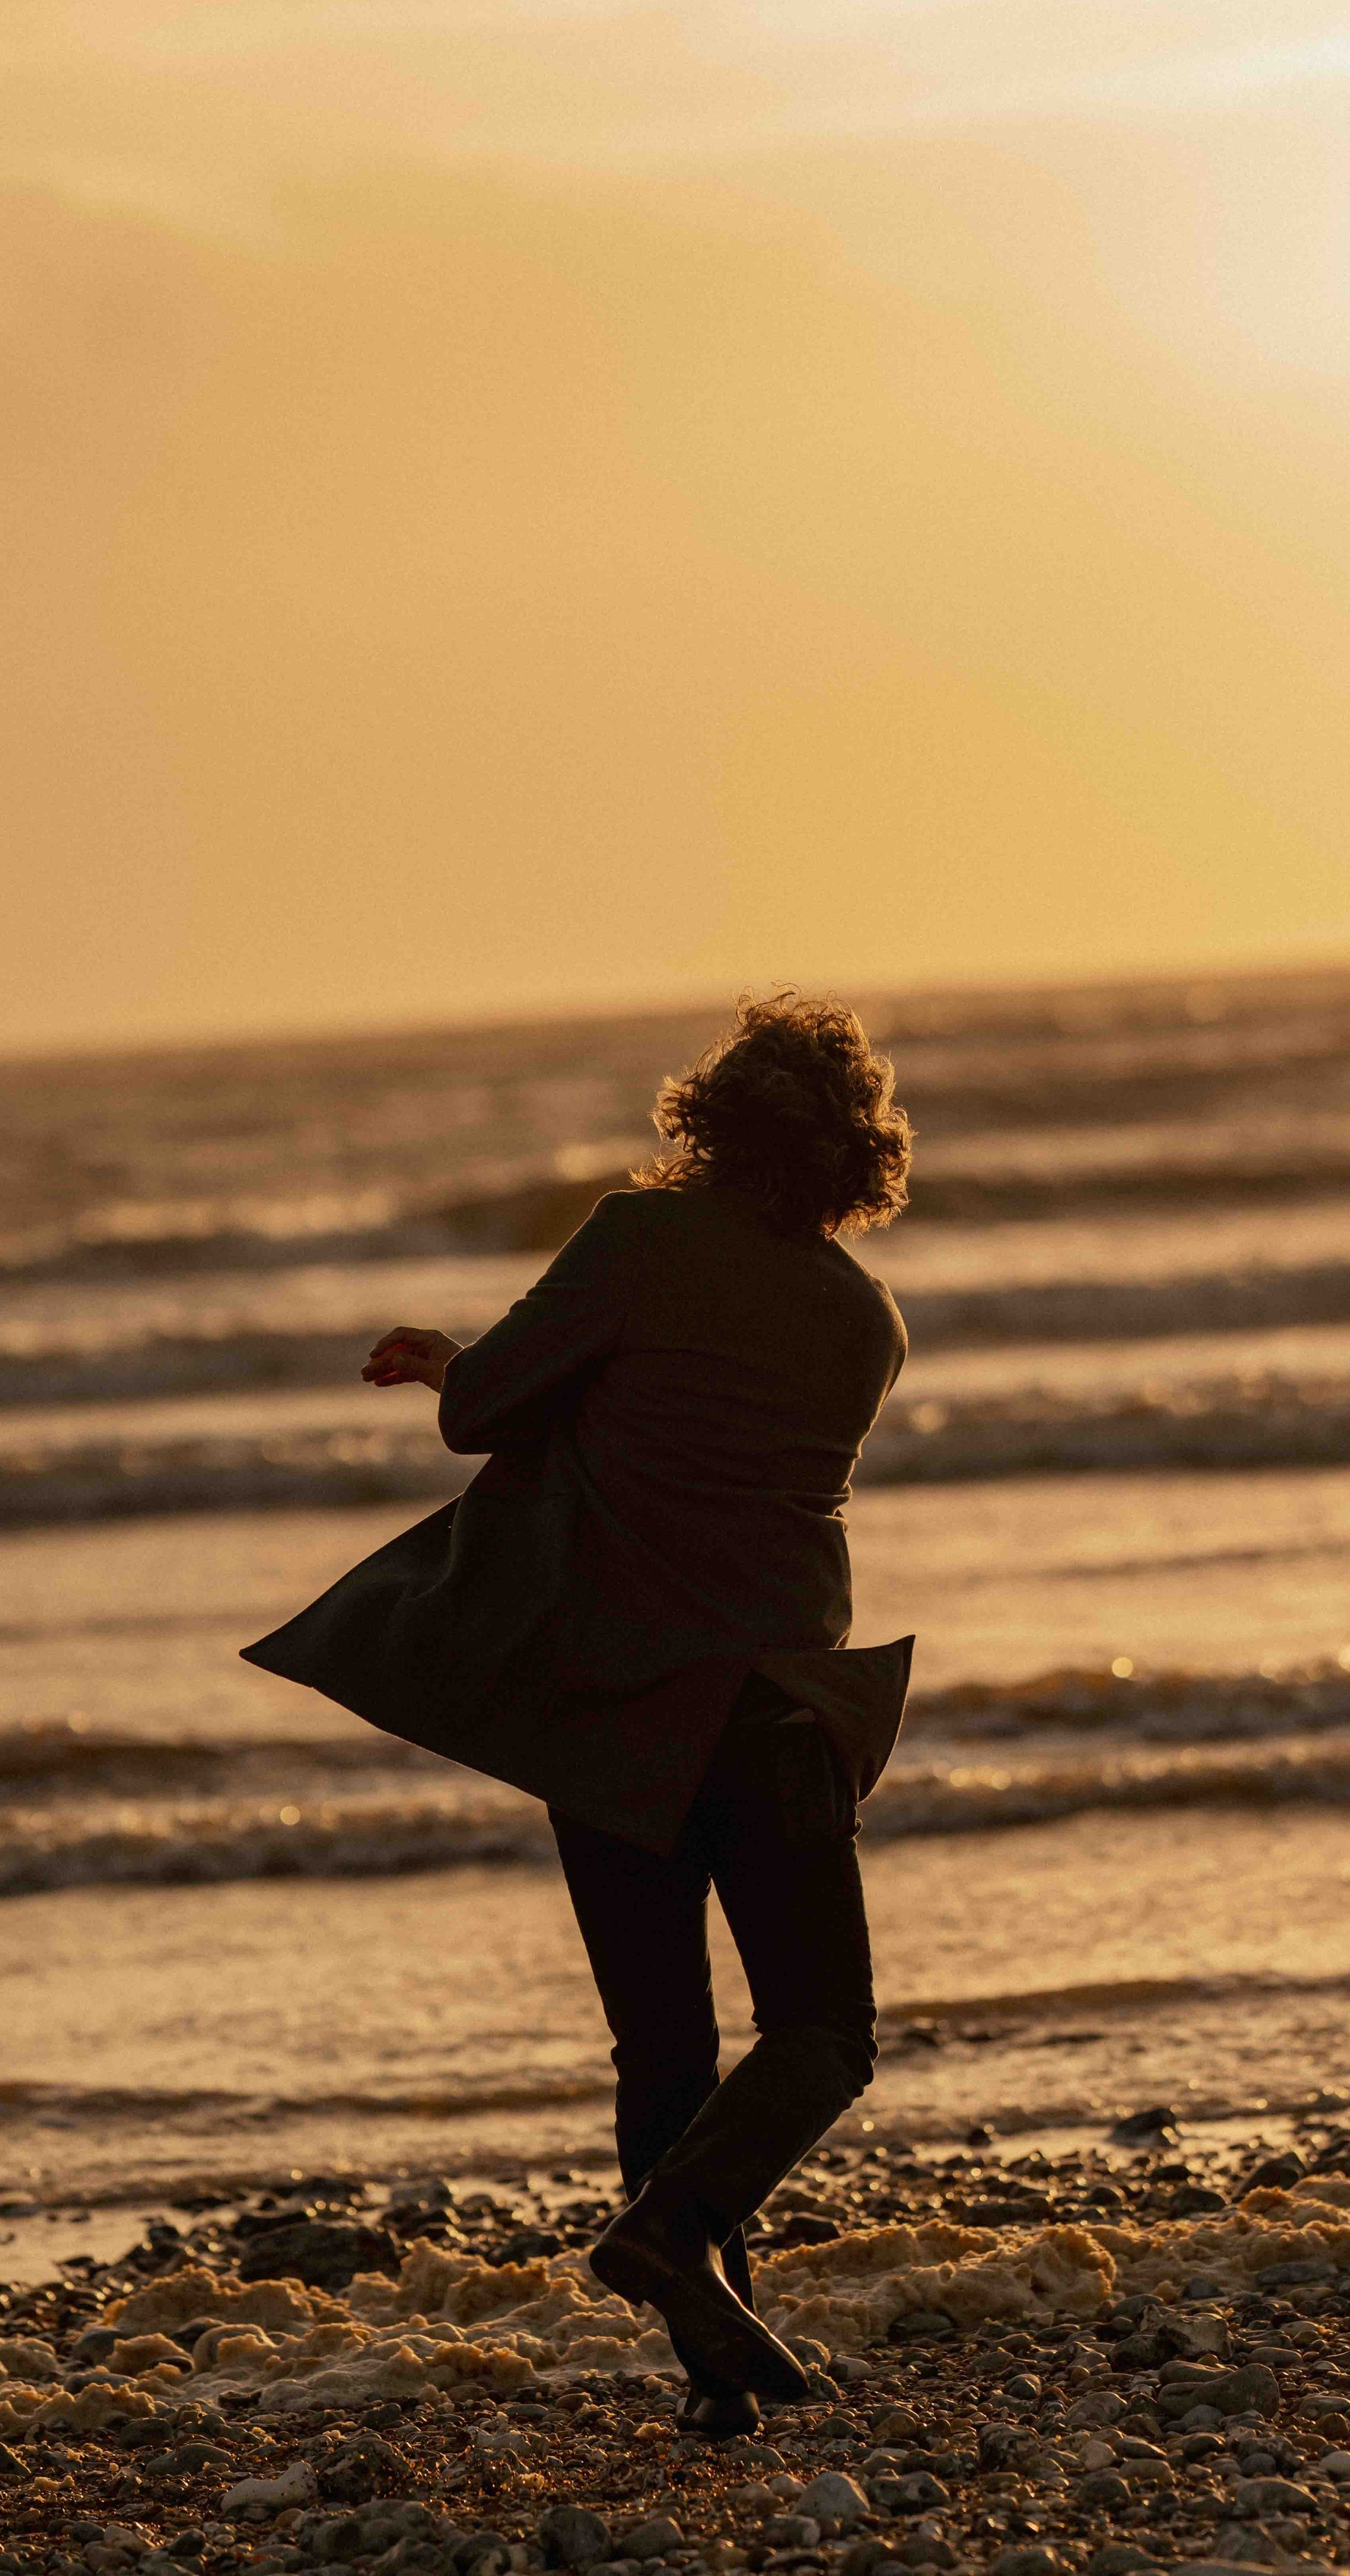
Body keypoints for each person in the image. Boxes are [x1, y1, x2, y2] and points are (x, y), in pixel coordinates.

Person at [242, 992, 914, 2431]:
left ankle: (690, 2303)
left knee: (659, 2044)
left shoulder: (639, 1238)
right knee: (819, 2031)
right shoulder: (866, 1321)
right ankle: (702, 2303)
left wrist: (439, 1355)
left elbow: (491, 1407)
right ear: (853, 1152)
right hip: (783, 1705)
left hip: (613, 1704)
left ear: (709, 1124)